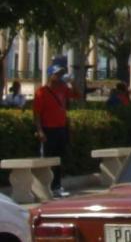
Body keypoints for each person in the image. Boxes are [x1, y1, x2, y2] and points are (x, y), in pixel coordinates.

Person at [33, 64, 81, 197]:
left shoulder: (63, 89)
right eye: (57, 74)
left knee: (59, 159)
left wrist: (72, 82)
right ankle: (45, 186)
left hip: (61, 128)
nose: (59, 76)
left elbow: (77, 95)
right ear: (50, 75)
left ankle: (57, 186)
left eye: (61, 74)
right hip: (49, 129)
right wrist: (40, 131)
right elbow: (36, 114)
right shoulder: (41, 92)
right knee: (48, 158)